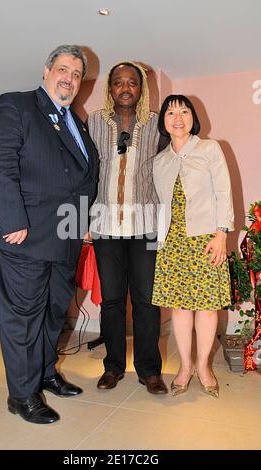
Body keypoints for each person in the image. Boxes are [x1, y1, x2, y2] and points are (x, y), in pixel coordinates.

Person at [0, 45, 98, 424]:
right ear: (47, 70)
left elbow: (85, 180)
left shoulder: (76, 122)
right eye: (63, 69)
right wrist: (12, 218)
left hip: (63, 239)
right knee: (23, 318)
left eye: (77, 74)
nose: (69, 78)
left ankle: (45, 374)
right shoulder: (16, 105)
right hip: (24, 237)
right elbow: (0, 164)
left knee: (51, 315)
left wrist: (80, 224)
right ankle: (22, 394)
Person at [88, 62, 167, 394]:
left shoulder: (156, 124)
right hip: (106, 227)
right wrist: (83, 219)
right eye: (118, 82)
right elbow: (85, 170)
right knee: (112, 301)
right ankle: (113, 367)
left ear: (141, 89)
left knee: (147, 301)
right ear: (110, 88)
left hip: (145, 225)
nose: (125, 87)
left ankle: (149, 370)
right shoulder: (93, 122)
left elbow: (168, 172)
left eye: (132, 83)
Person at [152, 94, 234, 398]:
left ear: (192, 118)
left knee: (208, 307)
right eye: (171, 112)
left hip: (206, 238)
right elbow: (160, 204)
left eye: (184, 111)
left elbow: (223, 192)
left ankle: (204, 366)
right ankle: (185, 366)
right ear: (164, 121)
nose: (178, 117)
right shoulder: (159, 161)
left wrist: (222, 234)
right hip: (172, 241)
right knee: (181, 307)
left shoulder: (210, 149)